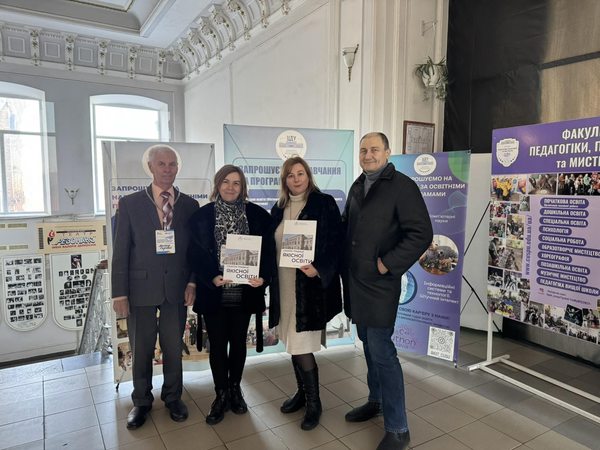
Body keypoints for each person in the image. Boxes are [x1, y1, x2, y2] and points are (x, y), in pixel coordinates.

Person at [342, 132, 432, 450]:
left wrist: (387, 264)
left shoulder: (402, 186)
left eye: (374, 149)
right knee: (368, 344)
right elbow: (347, 227)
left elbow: (421, 233)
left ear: (388, 152)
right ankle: (375, 401)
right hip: (355, 282)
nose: (368, 155)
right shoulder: (358, 185)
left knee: (382, 350)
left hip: (380, 284)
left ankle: (398, 429)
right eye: (363, 150)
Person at [111, 144, 199, 429]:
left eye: (172, 164)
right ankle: (141, 401)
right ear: (150, 167)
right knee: (142, 348)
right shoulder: (130, 203)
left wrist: (192, 281)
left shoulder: (189, 205)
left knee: (173, 347)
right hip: (140, 289)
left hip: (176, 288)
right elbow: (120, 249)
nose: (167, 169)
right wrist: (119, 292)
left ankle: (173, 397)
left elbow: (195, 250)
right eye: (161, 164)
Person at [188, 165, 274, 425]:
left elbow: (269, 252)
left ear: (242, 187)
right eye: (225, 181)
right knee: (217, 344)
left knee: (238, 342)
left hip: (244, 291)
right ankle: (221, 394)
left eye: (236, 183)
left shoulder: (258, 216)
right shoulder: (201, 217)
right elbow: (194, 254)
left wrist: (263, 277)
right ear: (217, 184)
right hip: (214, 291)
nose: (230, 187)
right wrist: (211, 277)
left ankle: (235, 390)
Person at [269, 156, 342, 431]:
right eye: (290, 175)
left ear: (308, 176)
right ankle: (301, 393)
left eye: (300, 173)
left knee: (301, 347)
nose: (296, 179)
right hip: (284, 287)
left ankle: (314, 402)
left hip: (309, 290)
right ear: (284, 180)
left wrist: (319, 268)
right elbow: (268, 245)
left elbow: (336, 243)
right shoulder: (279, 208)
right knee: (292, 342)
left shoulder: (324, 204)